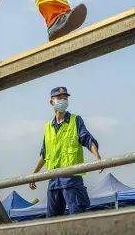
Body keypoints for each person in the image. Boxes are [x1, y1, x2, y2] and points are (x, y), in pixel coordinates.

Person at [28, 87, 101, 217]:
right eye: (59, 98)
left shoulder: (75, 120)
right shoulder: (48, 127)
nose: (63, 101)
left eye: (65, 98)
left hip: (72, 179)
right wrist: (34, 174)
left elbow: (88, 140)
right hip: (54, 181)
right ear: (52, 102)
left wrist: (98, 158)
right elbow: (44, 154)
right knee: (52, 223)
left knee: (79, 220)